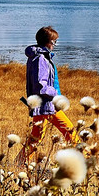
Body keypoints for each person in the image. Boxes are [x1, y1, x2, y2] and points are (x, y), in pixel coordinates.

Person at [17, 26, 78, 164]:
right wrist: (55, 94)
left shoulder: (38, 57)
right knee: (70, 132)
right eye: (54, 42)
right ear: (47, 42)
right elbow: (41, 86)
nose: (55, 45)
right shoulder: (41, 59)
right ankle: (85, 161)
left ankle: (20, 163)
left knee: (35, 138)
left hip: (42, 105)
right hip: (47, 105)